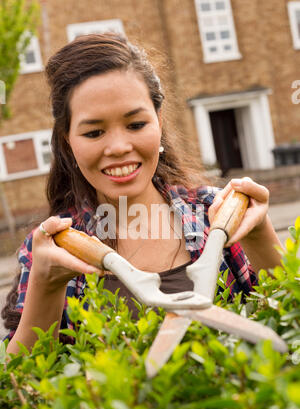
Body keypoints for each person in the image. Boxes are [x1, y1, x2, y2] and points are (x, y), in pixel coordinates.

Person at [0, 32, 283, 354]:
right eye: (94, 132)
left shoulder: (217, 211)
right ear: (67, 141)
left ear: (159, 122)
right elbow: (21, 384)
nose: (119, 147)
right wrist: (45, 285)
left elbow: (289, 324)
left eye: (135, 125)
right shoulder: (53, 247)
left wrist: (260, 237)